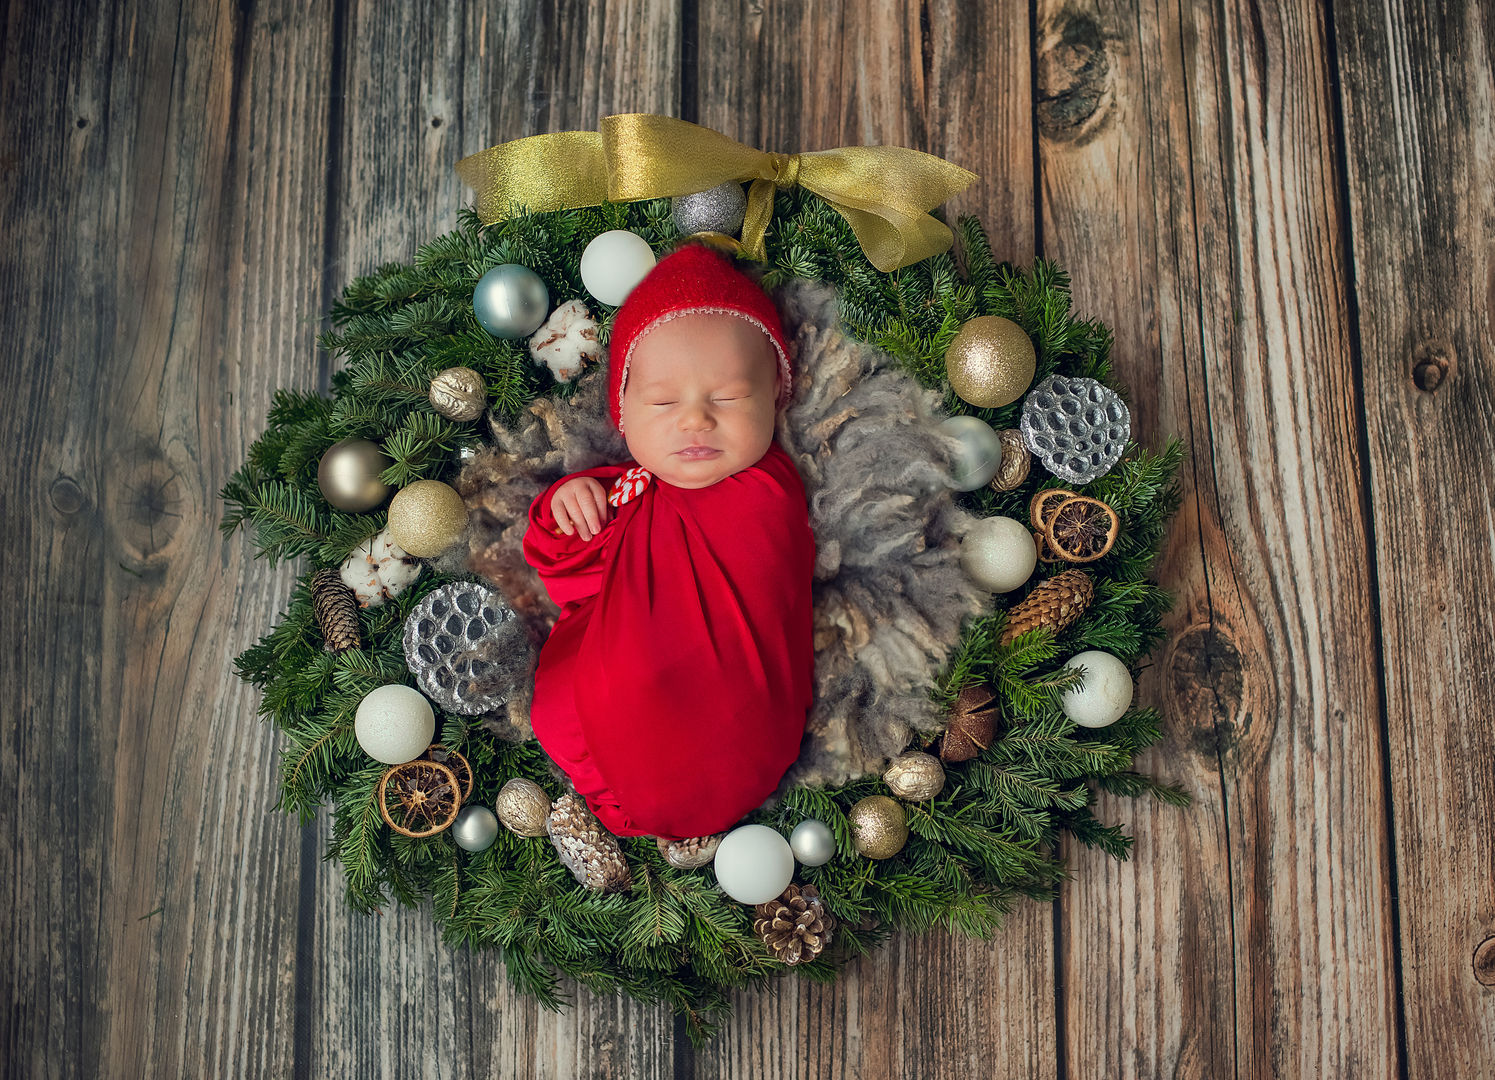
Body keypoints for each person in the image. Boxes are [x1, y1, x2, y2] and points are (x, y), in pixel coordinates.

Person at [521, 241, 816, 841]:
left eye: (730, 398)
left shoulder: (769, 491)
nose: (695, 420)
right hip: (607, 724)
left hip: (732, 719)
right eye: (662, 401)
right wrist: (565, 506)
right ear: (623, 414)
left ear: (776, 400)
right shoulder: (627, 493)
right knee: (562, 700)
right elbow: (566, 574)